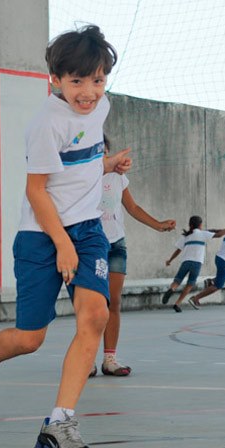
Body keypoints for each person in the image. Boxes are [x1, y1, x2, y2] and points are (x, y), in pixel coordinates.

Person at [0, 25, 131, 448]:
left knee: (95, 315)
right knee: (30, 338)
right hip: (41, 235)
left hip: (88, 230)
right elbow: (38, 192)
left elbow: (81, 162)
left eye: (97, 80)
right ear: (54, 79)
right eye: (77, 81)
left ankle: (60, 422)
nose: (88, 92)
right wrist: (61, 245)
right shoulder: (45, 123)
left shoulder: (99, 108)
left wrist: (107, 162)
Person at [90, 135, 175, 377]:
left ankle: (110, 358)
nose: (103, 159)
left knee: (113, 302)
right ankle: (86, 358)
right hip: (90, 246)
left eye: (105, 153)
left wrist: (158, 225)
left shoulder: (119, 177)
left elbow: (133, 208)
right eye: (97, 154)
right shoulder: (80, 179)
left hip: (116, 244)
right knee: (93, 305)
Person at [161, 216, 225, 312]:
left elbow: (178, 250)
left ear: (190, 225)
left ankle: (172, 289)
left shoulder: (185, 235)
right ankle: (177, 304)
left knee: (177, 281)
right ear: (200, 225)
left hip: (185, 261)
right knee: (189, 284)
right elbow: (219, 235)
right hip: (197, 263)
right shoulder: (203, 234)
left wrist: (170, 260)